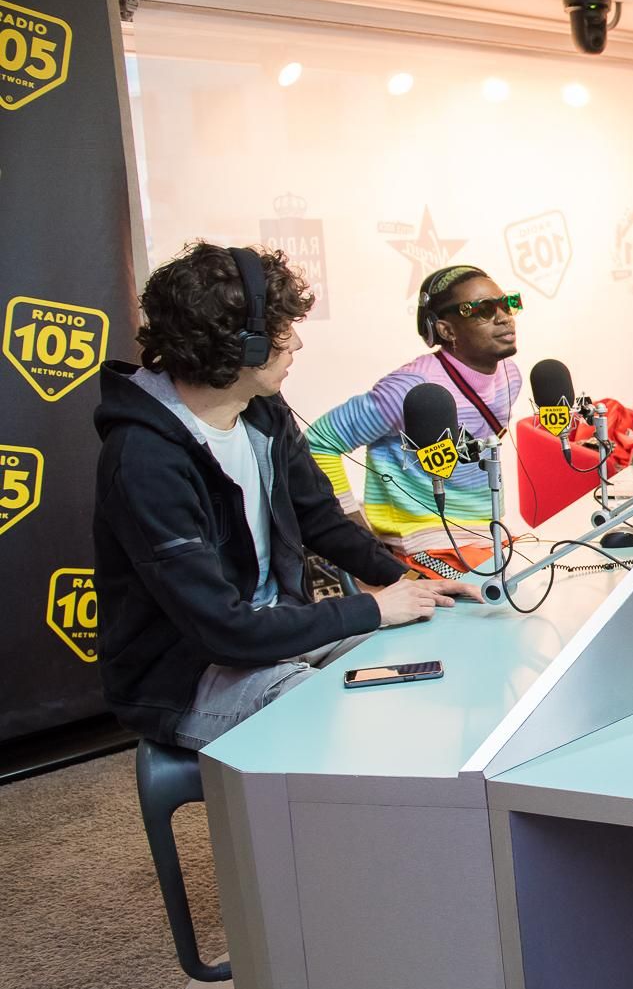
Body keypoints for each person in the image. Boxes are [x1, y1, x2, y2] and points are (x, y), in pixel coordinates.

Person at [94, 242, 477, 750]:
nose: (295, 342)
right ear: (241, 344)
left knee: (434, 645)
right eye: (281, 329)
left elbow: (321, 520)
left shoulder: (262, 411)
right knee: (339, 717)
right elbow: (222, 628)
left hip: (278, 632)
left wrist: (413, 582)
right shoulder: (144, 459)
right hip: (187, 672)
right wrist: (372, 609)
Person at [305, 265, 524, 571]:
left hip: (487, 537)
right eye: (484, 310)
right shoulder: (409, 389)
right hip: (421, 545)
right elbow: (319, 442)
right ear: (446, 330)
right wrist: (357, 534)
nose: (504, 318)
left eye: (508, 304)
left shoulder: (510, 376)